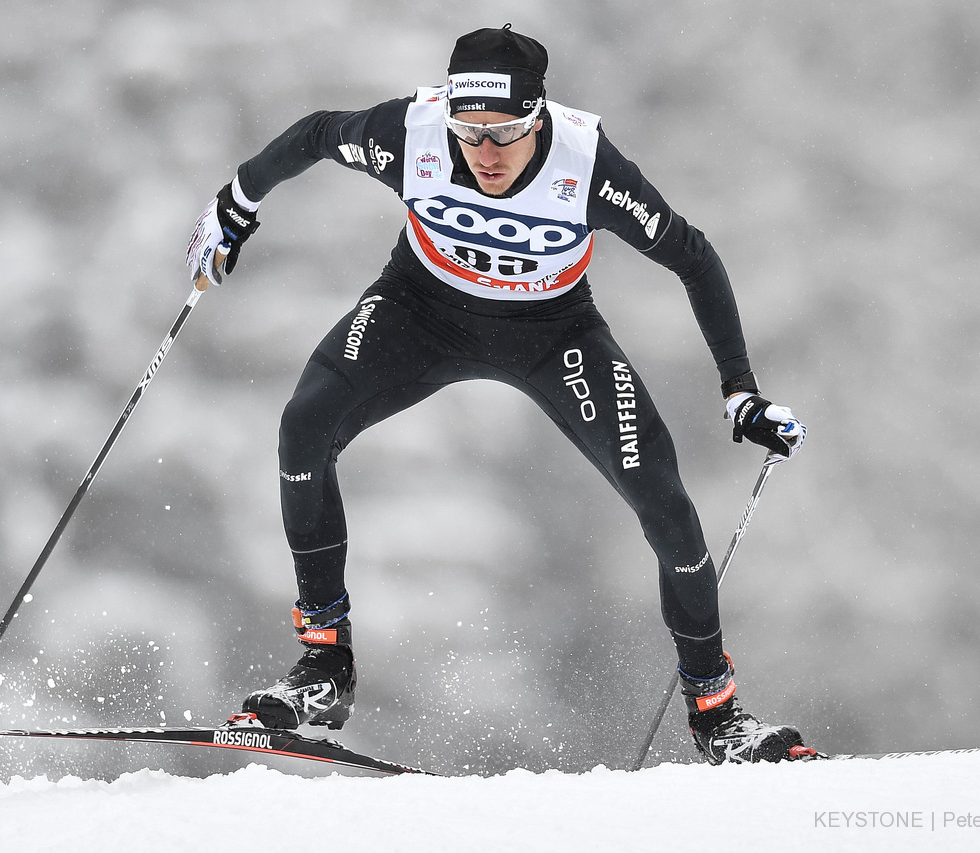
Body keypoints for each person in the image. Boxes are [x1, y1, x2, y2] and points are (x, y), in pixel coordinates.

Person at [186, 25, 808, 764]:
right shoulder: (409, 135)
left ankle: (718, 716)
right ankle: (325, 665)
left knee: (665, 503)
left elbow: (694, 258)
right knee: (303, 428)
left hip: (554, 333)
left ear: (539, 115)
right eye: (468, 133)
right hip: (421, 312)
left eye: (504, 134)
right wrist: (238, 198)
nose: (483, 154)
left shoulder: (588, 165)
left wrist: (741, 391)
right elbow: (319, 134)